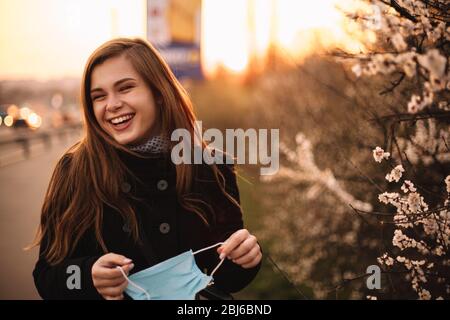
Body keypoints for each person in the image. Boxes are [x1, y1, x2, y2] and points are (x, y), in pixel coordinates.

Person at [30, 38, 262, 300]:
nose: (112, 104)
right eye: (99, 96)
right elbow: (46, 277)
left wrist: (247, 259)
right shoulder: (75, 171)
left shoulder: (209, 166)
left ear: (159, 93)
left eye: (125, 88)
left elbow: (228, 279)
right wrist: (87, 276)